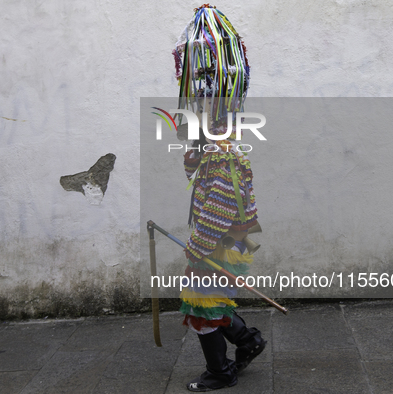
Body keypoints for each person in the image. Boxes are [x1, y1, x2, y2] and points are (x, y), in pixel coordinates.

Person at [172, 5, 267, 392]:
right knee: (210, 301)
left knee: (202, 305)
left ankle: (220, 371)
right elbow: (195, 174)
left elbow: (218, 209)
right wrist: (192, 155)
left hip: (222, 244)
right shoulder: (218, 152)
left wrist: (196, 250)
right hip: (232, 243)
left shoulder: (223, 156)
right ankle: (249, 341)